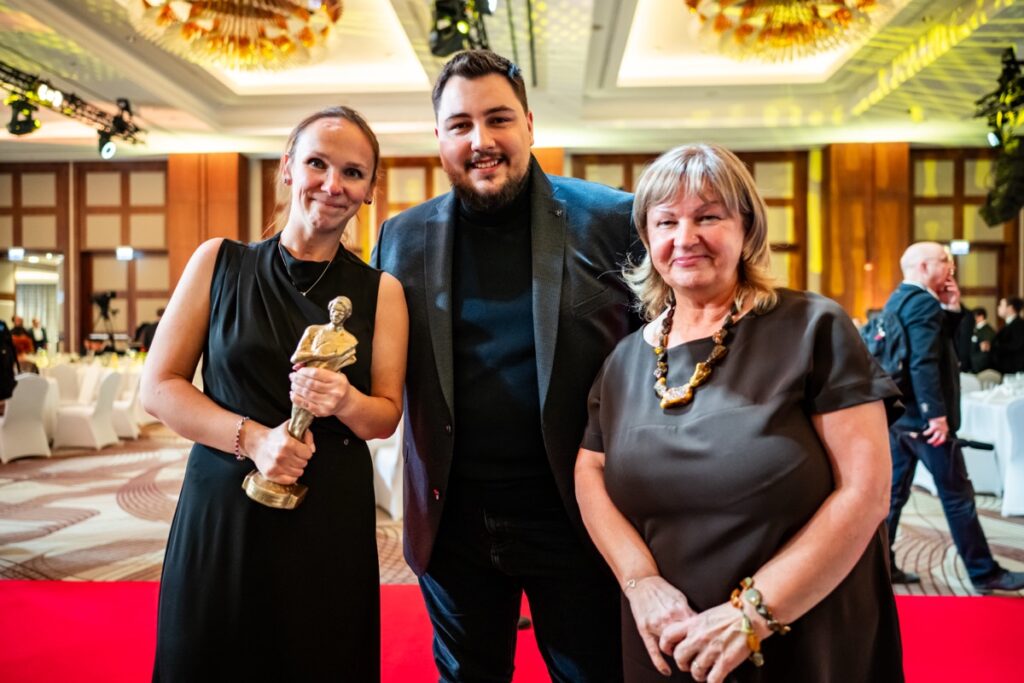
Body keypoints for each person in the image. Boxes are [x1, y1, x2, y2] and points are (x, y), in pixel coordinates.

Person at [575, 143, 904, 682]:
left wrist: (752, 614)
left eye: (708, 217)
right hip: (667, 639)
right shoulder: (625, 359)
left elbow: (866, 493)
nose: (686, 237)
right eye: (666, 222)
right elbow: (590, 471)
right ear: (648, 239)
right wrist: (640, 582)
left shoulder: (813, 328)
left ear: (747, 229)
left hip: (800, 631)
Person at [372, 49, 639, 682]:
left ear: (529, 124)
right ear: (439, 137)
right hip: (452, 521)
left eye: (498, 119)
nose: (481, 141)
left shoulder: (611, 219)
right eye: (460, 125)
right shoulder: (400, 238)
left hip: (576, 516)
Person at [142, 106, 408, 681]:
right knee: (209, 656)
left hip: (328, 509)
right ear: (288, 168)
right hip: (225, 495)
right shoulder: (219, 262)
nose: (332, 185)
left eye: (353, 173)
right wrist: (256, 440)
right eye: (317, 163)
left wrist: (344, 401)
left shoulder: (382, 291)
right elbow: (158, 387)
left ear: (369, 190)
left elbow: (385, 417)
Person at [883, 243, 1024, 594]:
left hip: (901, 418)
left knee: (893, 497)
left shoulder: (898, 299)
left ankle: (880, 567)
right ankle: (984, 573)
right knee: (958, 497)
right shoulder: (922, 303)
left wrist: (950, 308)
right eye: (944, 260)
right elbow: (923, 362)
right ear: (923, 266)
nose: (951, 266)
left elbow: (930, 346)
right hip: (925, 423)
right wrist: (936, 416)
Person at [289, 295, 358, 437]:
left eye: (340, 312)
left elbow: (350, 357)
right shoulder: (314, 331)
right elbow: (295, 357)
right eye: (334, 310)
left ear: (347, 314)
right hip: (304, 383)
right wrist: (321, 355)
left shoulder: (350, 341)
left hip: (326, 390)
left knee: (304, 422)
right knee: (295, 423)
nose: (336, 314)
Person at [993, 296, 1024, 374]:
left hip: (1014, 372)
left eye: (1001, 305)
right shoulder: (1008, 324)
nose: (998, 308)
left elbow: (1016, 346)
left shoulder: (1019, 325)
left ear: (1010, 308)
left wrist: (996, 346)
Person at [969, 306, 996, 373]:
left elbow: (985, 350)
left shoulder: (987, 331)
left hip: (980, 367)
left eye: (974, 316)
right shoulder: (976, 329)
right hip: (974, 365)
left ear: (981, 316)